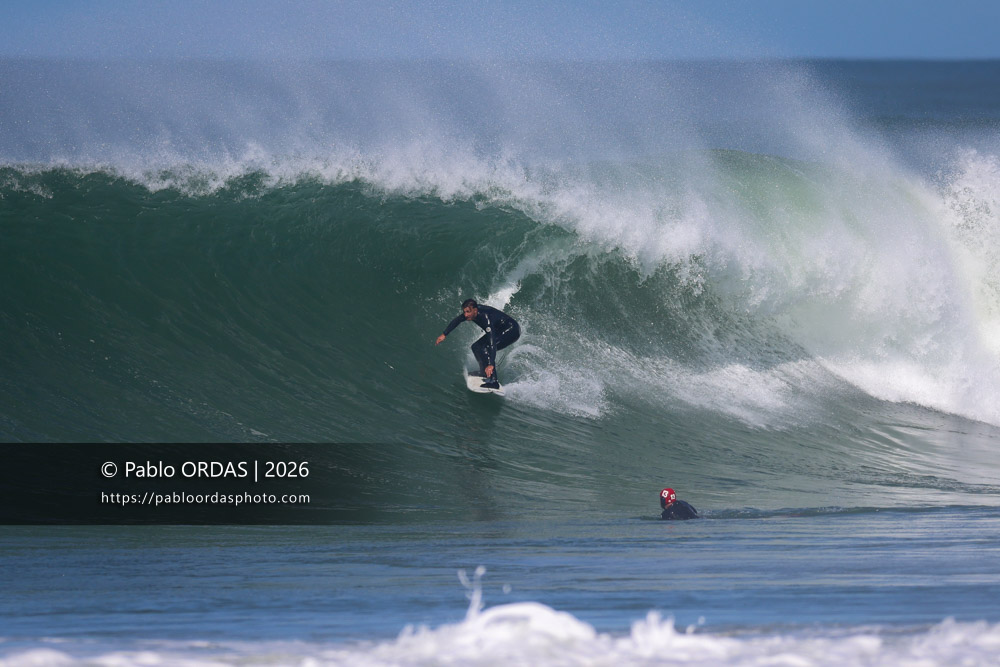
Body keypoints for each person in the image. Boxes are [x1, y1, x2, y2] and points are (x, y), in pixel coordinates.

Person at [435, 299, 520, 389]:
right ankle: (484, 372)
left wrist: (490, 364)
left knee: (486, 348)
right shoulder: (470, 313)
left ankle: (494, 381)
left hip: (512, 330)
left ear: (475, 310)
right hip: (500, 329)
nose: (466, 315)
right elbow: (457, 320)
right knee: (476, 346)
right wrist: (444, 334)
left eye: (468, 312)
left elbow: (492, 344)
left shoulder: (485, 318)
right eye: (464, 312)